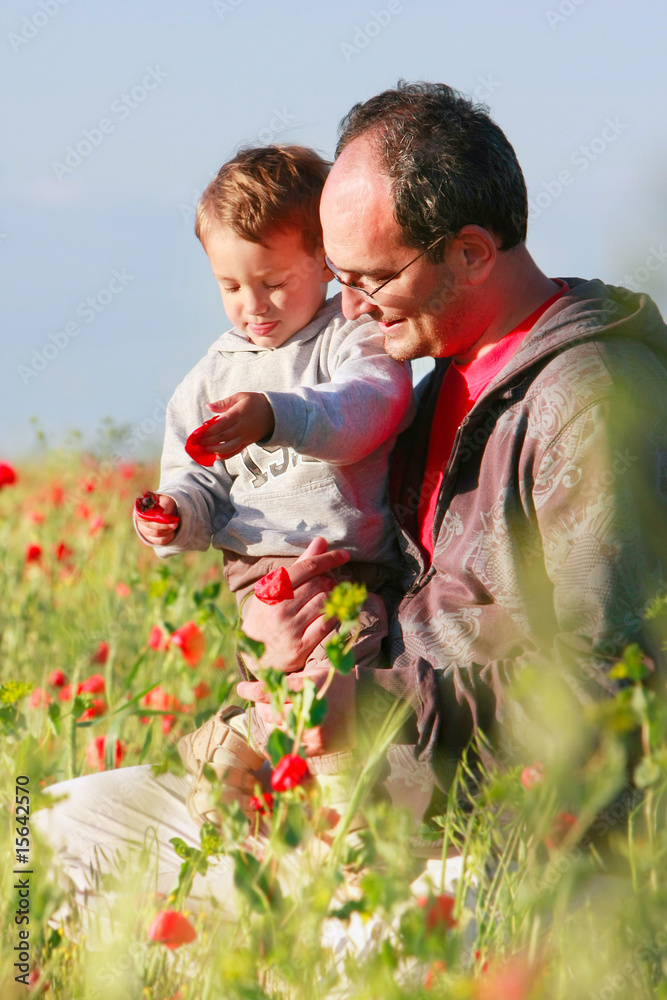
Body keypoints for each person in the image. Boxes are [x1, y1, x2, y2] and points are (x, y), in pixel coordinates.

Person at [237, 82, 667, 790]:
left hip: (504, 841)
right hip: (358, 797)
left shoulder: (588, 403)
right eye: (337, 278)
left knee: (62, 842)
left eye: (371, 278)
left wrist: (377, 710)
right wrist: (289, 626)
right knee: (55, 819)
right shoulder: (435, 382)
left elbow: (617, 673)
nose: (348, 309)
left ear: (470, 253)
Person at [132, 144, 414, 823]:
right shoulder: (213, 376)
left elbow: (361, 412)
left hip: (351, 574)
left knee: (326, 699)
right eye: (230, 287)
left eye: (274, 282)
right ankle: (220, 835)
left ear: (323, 261)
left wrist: (273, 414)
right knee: (265, 701)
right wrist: (173, 515)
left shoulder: (352, 339)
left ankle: (343, 840)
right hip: (257, 575)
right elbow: (197, 479)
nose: (252, 306)